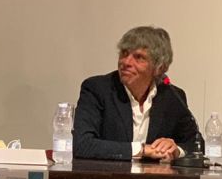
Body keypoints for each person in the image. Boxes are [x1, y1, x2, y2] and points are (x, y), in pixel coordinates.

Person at [73, 25, 198, 161]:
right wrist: (142, 150)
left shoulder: (172, 96)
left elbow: (197, 144)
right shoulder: (97, 89)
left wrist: (176, 150)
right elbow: (82, 145)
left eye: (138, 57)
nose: (126, 62)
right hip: (106, 174)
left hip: (154, 174)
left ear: (159, 67)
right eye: (124, 53)